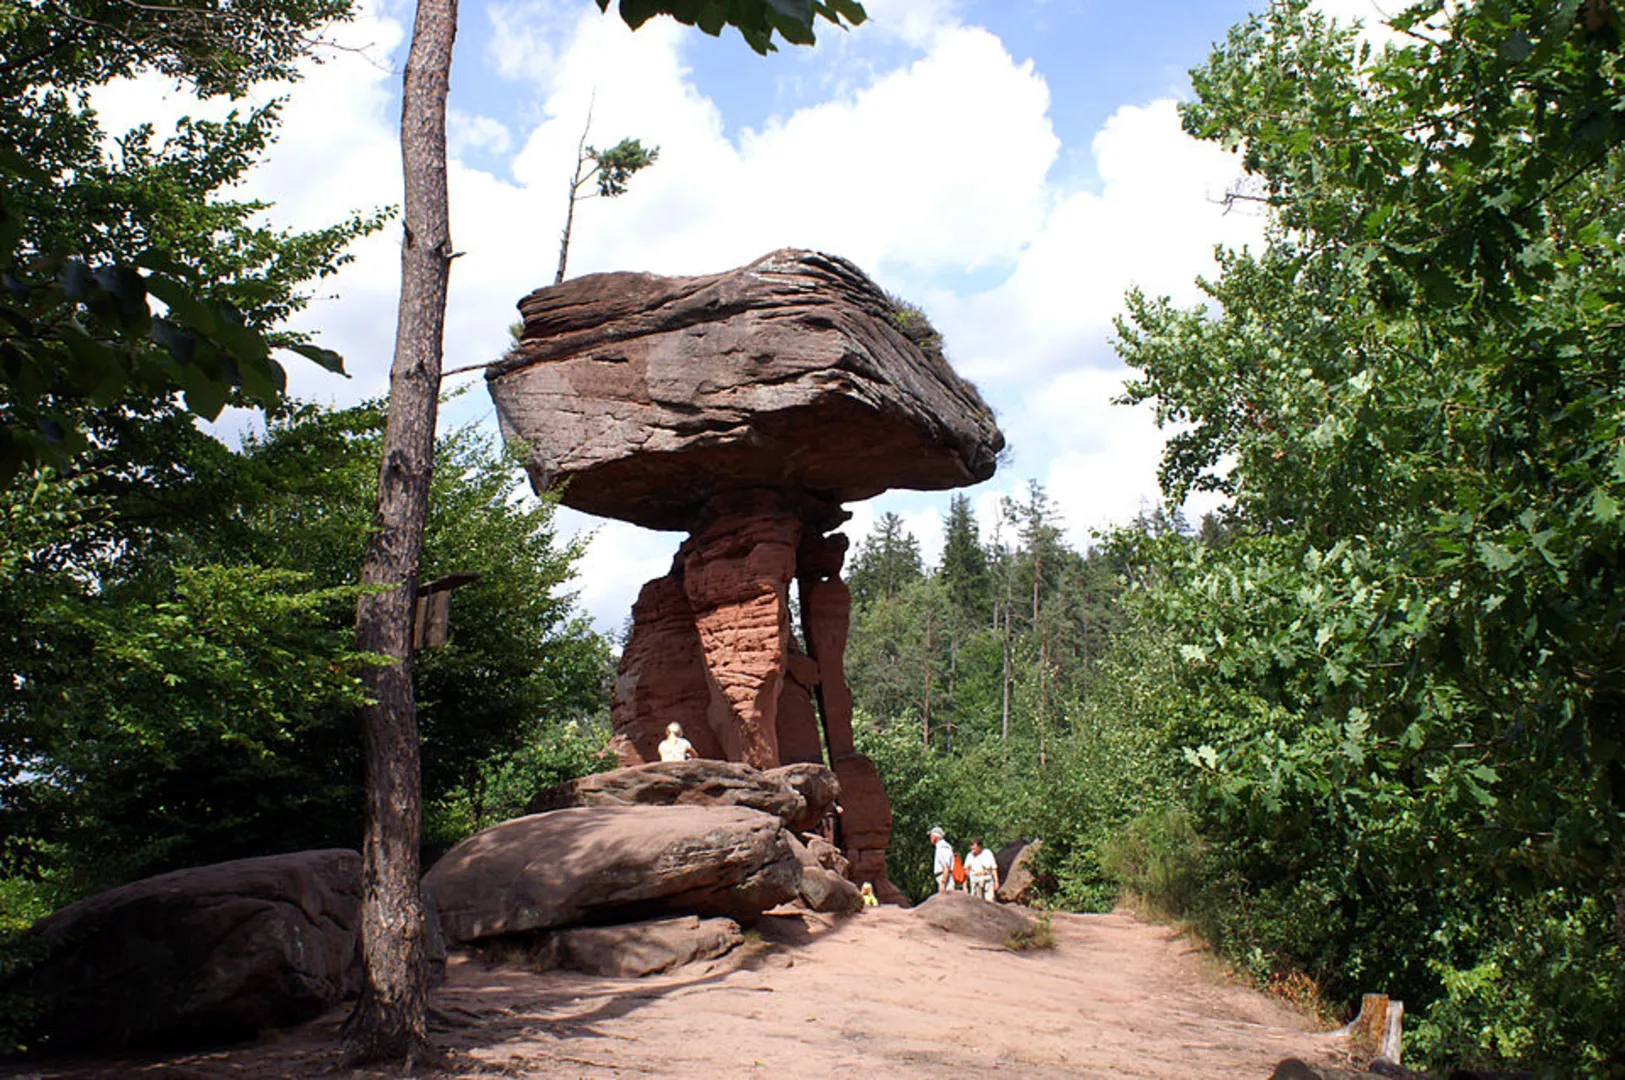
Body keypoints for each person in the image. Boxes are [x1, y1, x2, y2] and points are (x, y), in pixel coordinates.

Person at [929, 826, 955, 893]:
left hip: (946, 880)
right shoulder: (940, 847)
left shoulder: (943, 847)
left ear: (936, 836)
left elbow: (946, 866)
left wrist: (943, 883)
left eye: (931, 835)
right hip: (943, 878)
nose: (930, 838)